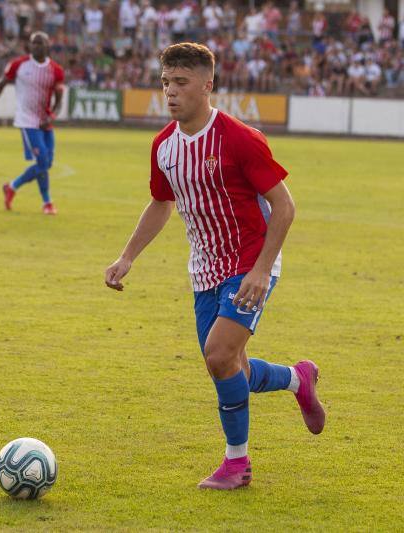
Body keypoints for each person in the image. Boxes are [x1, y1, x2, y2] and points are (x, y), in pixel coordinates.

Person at [104, 42, 325, 490]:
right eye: (165, 82)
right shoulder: (163, 146)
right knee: (232, 368)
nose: (170, 92)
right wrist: (127, 256)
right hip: (204, 270)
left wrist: (262, 270)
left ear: (208, 85)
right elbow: (161, 203)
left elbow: (284, 207)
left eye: (181, 83)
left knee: (219, 355)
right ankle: (296, 379)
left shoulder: (240, 138)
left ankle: (236, 464)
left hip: (250, 261)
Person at [0, 32, 65, 215]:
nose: (36, 46)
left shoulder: (56, 70)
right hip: (27, 121)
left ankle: (12, 186)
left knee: (46, 164)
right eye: (33, 43)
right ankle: (47, 202)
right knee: (42, 161)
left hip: (45, 123)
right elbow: (0, 86)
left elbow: (59, 101)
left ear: (48, 46)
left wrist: (52, 117)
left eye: (40, 43)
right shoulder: (19, 65)